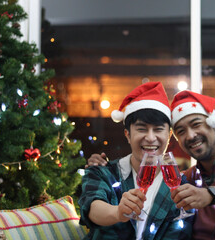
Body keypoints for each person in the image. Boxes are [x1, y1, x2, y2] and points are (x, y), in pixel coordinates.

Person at [87, 90, 215, 240]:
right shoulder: (187, 178)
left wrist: (208, 195)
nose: (190, 135)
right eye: (181, 131)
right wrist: (101, 167)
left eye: (196, 124)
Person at [78, 82, 193, 240]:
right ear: (127, 135)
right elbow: (91, 208)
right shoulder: (103, 172)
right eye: (142, 129)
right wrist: (118, 213)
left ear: (169, 135)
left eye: (158, 129)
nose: (151, 138)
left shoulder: (181, 187)